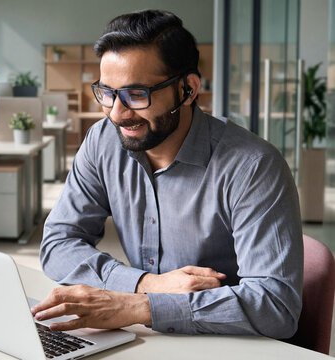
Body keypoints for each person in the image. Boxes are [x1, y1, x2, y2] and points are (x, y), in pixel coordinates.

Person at [31, 9, 303, 338]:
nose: (117, 113)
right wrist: (146, 284)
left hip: (226, 343)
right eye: (107, 93)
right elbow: (58, 243)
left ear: (187, 90)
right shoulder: (103, 141)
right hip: (146, 340)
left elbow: (276, 307)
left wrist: (136, 305)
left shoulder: (253, 167)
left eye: (136, 94)